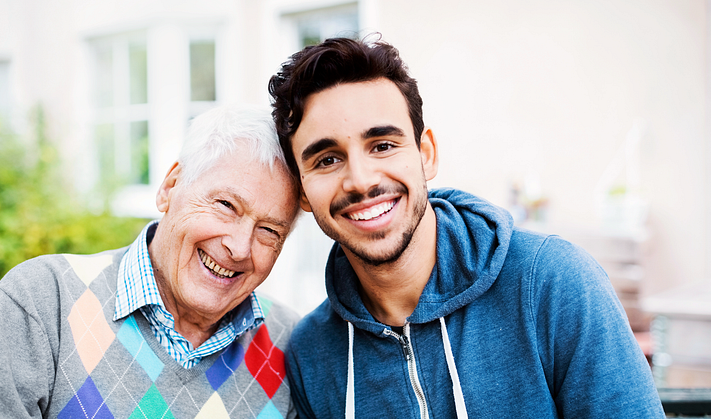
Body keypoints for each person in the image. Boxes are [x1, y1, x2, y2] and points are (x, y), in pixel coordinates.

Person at [268, 36, 666, 418]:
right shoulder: (313, 354)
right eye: (327, 160)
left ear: (426, 155)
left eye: (383, 146)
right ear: (302, 192)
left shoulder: (551, 283)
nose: (360, 180)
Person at [0, 105, 301, 418]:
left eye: (270, 230)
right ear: (170, 187)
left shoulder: (292, 346)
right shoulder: (41, 303)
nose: (240, 248)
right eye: (226, 205)